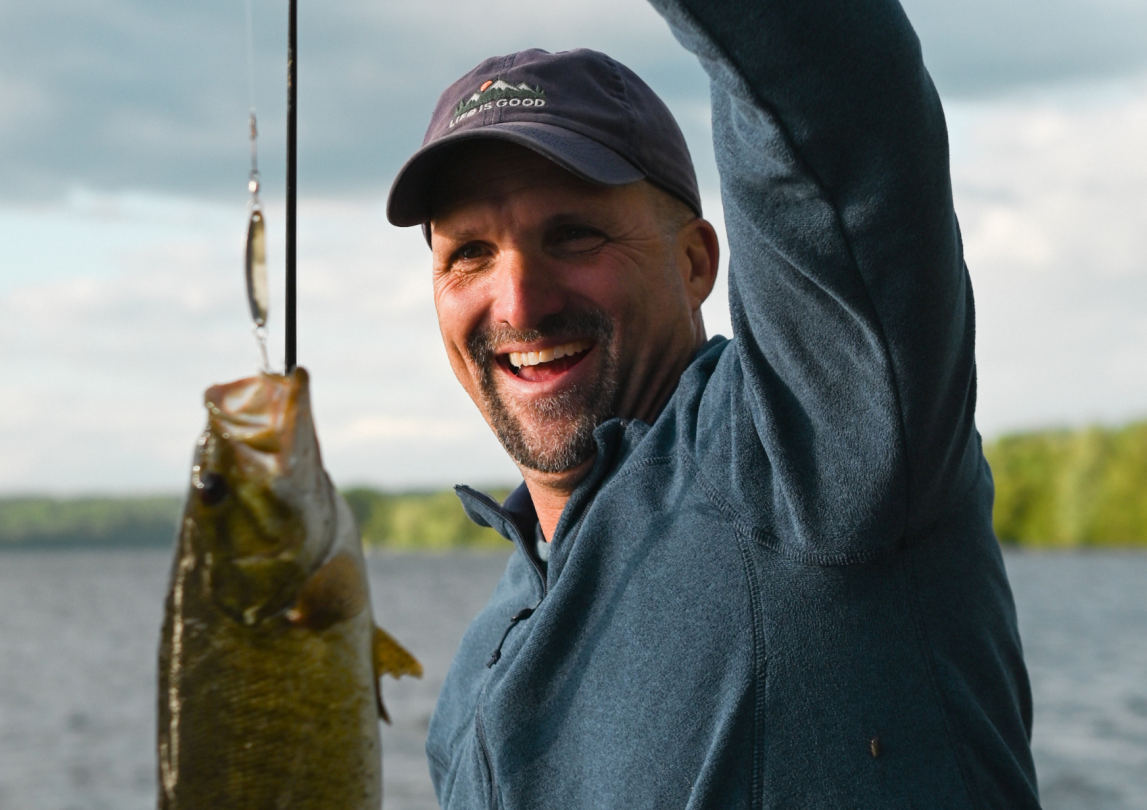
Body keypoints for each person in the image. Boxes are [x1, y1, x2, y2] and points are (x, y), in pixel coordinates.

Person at [384, 0, 1040, 806]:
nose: (517, 302)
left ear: (696, 263)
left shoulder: (810, 442)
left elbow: (828, 79)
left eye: (575, 236)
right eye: (470, 255)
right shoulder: (471, 685)